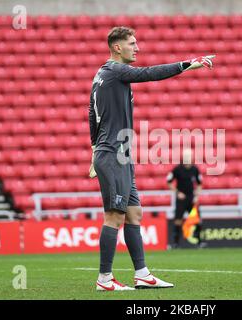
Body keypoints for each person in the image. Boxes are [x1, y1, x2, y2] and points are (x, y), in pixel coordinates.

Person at [88, 26, 214, 291]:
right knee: (114, 216)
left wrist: (92, 146)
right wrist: (185, 64)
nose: (138, 48)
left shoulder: (102, 75)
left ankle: (142, 274)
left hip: (120, 155)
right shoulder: (114, 70)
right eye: (132, 44)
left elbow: (92, 112)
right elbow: (147, 73)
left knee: (134, 214)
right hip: (112, 154)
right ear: (117, 47)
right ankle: (104, 279)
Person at [166, 149, 203, 248]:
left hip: (191, 198)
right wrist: (177, 193)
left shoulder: (195, 169)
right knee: (178, 220)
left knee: (197, 220)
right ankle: (175, 243)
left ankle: (199, 242)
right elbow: (169, 181)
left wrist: (196, 196)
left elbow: (199, 184)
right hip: (181, 200)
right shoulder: (177, 169)